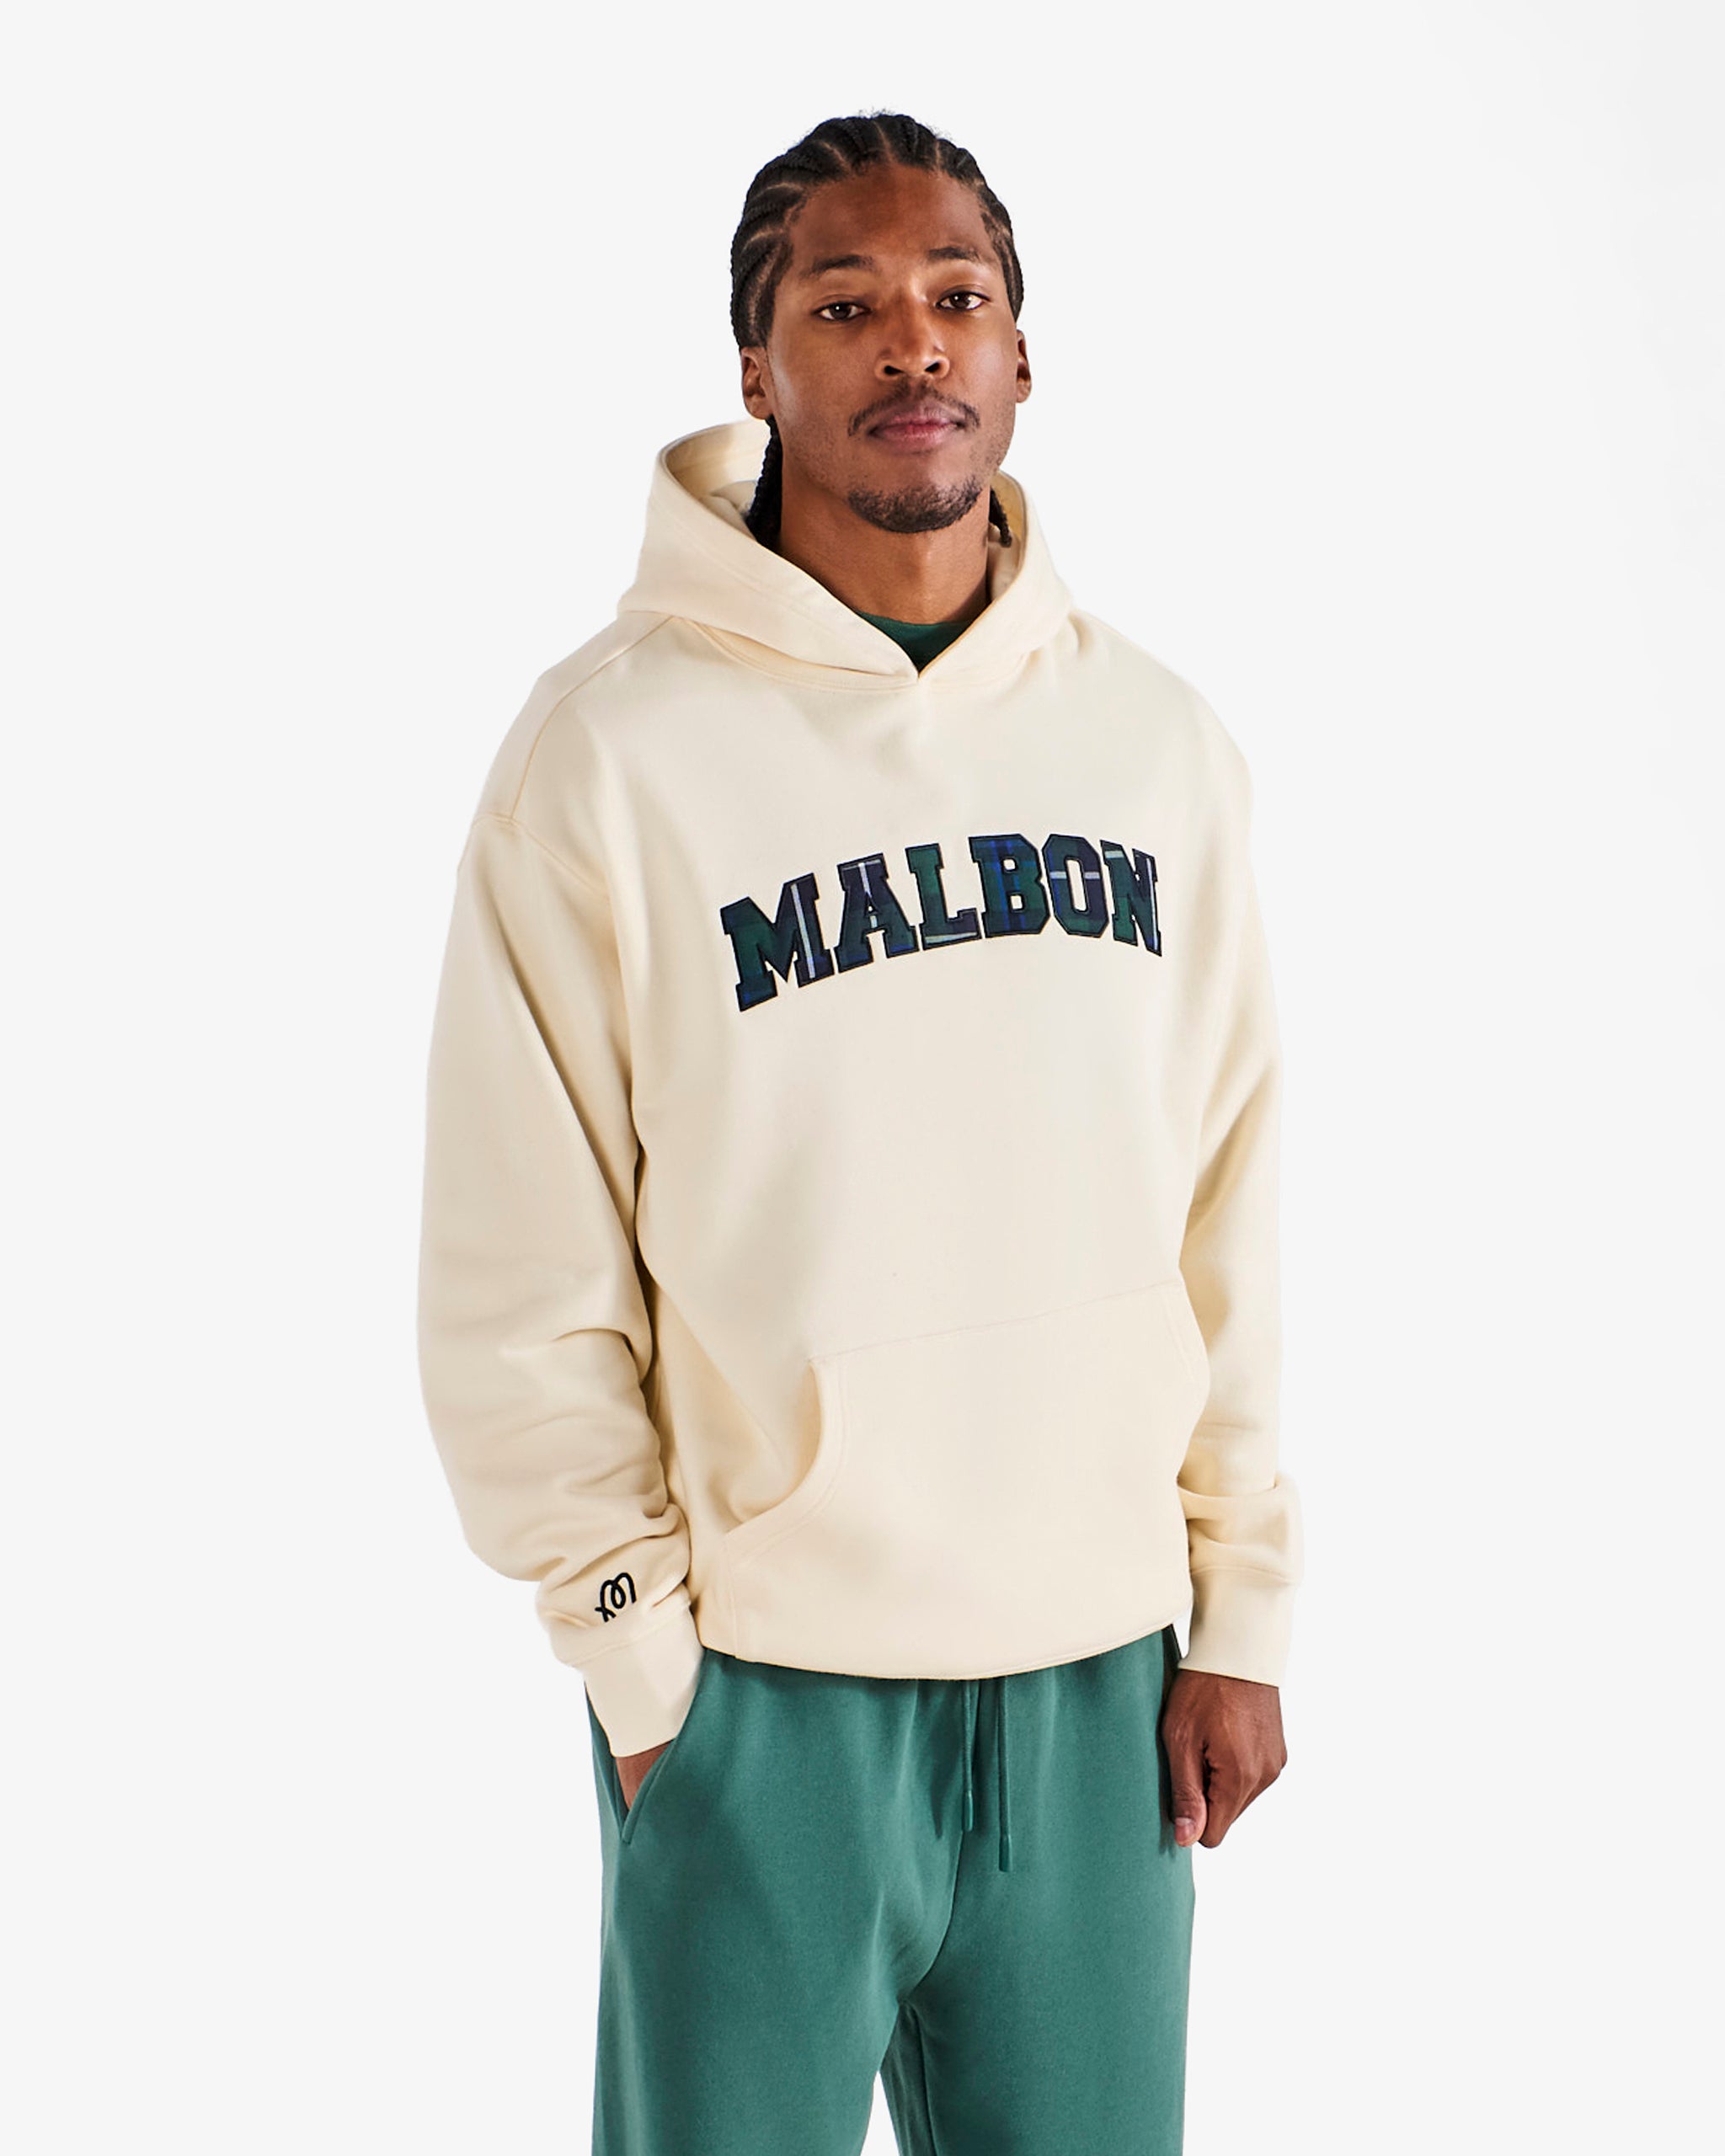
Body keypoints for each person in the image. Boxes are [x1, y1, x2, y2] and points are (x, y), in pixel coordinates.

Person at [417, 108, 1304, 2156]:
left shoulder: (1155, 747)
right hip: (761, 1691)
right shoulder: (608, 756)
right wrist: (643, 1665)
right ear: (757, 368)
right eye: (845, 305)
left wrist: (1241, 1608)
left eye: (955, 297)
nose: (913, 343)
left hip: (1103, 1694)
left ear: (1020, 355)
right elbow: (517, 1262)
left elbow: (1228, 1204)